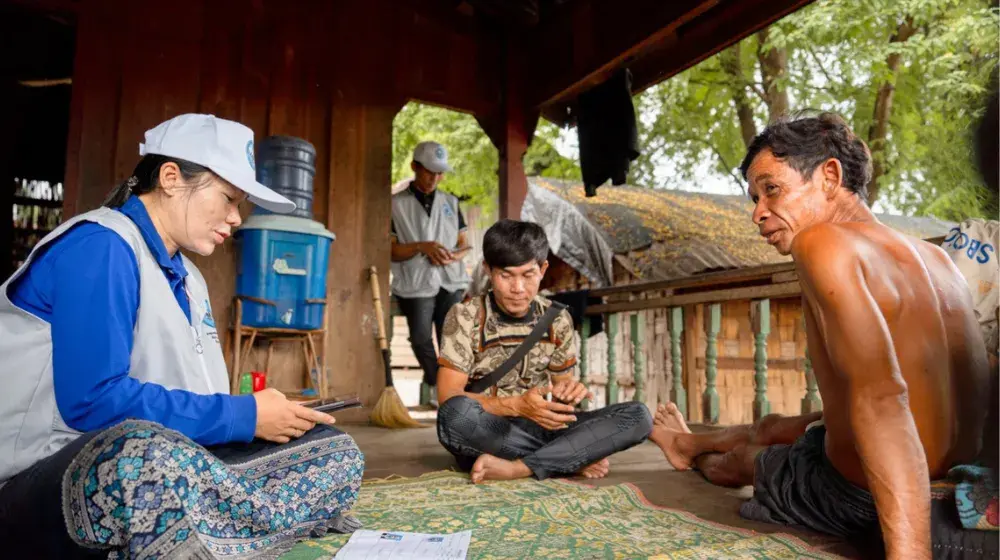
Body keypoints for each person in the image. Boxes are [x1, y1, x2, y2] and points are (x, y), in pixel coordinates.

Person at [0, 114, 365, 559]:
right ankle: (213, 527)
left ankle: (201, 529)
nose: (235, 219)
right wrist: (242, 415)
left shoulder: (190, 277)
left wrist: (268, 419)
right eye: (229, 199)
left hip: (175, 459)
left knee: (333, 453)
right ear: (171, 177)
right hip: (43, 481)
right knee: (142, 460)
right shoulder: (101, 246)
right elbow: (93, 403)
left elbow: (195, 403)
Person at [647, 113, 991, 559]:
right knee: (783, 426)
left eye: (771, 189)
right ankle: (690, 439)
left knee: (750, 462)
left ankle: (693, 453)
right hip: (953, 472)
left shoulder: (823, 243)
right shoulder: (938, 259)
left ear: (830, 175)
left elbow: (883, 400)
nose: (757, 213)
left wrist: (910, 553)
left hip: (862, 492)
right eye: (754, 197)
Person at [435, 219, 652, 484]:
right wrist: (517, 405)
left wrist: (569, 392)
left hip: (542, 427)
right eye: (506, 275)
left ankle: (520, 468)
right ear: (488, 271)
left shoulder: (556, 319)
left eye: (528, 275)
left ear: (543, 269)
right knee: (454, 416)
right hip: (491, 432)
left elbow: (563, 395)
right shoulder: (465, 316)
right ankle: (568, 458)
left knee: (638, 416)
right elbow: (449, 396)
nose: (518, 288)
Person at [390, 141, 472, 405]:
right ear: (415, 166)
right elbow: (390, 251)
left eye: (439, 173)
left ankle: (450, 394)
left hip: (451, 281)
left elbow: (464, 244)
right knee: (421, 338)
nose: (434, 178)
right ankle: (440, 384)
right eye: (429, 171)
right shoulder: (395, 204)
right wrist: (420, 247)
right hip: (415, 283)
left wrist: (454, 255)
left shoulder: (450, 202)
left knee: (452, 341)